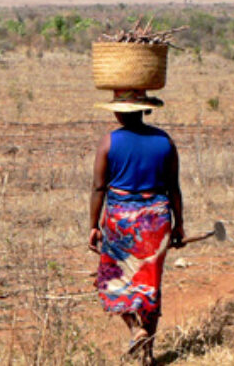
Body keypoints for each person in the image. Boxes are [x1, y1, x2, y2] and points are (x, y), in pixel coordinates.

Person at [89, 90, 185, 365]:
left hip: (121, 221)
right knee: (150, 284)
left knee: (113, 279)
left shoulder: (109, 142)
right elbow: (174, 188)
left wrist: (93, 225)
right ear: (144, 109)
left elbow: (98, 187)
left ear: (119, 112)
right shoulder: (164, 141)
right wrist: (179, 224)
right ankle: (148, 354)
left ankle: (134, 327)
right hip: (156, 220)